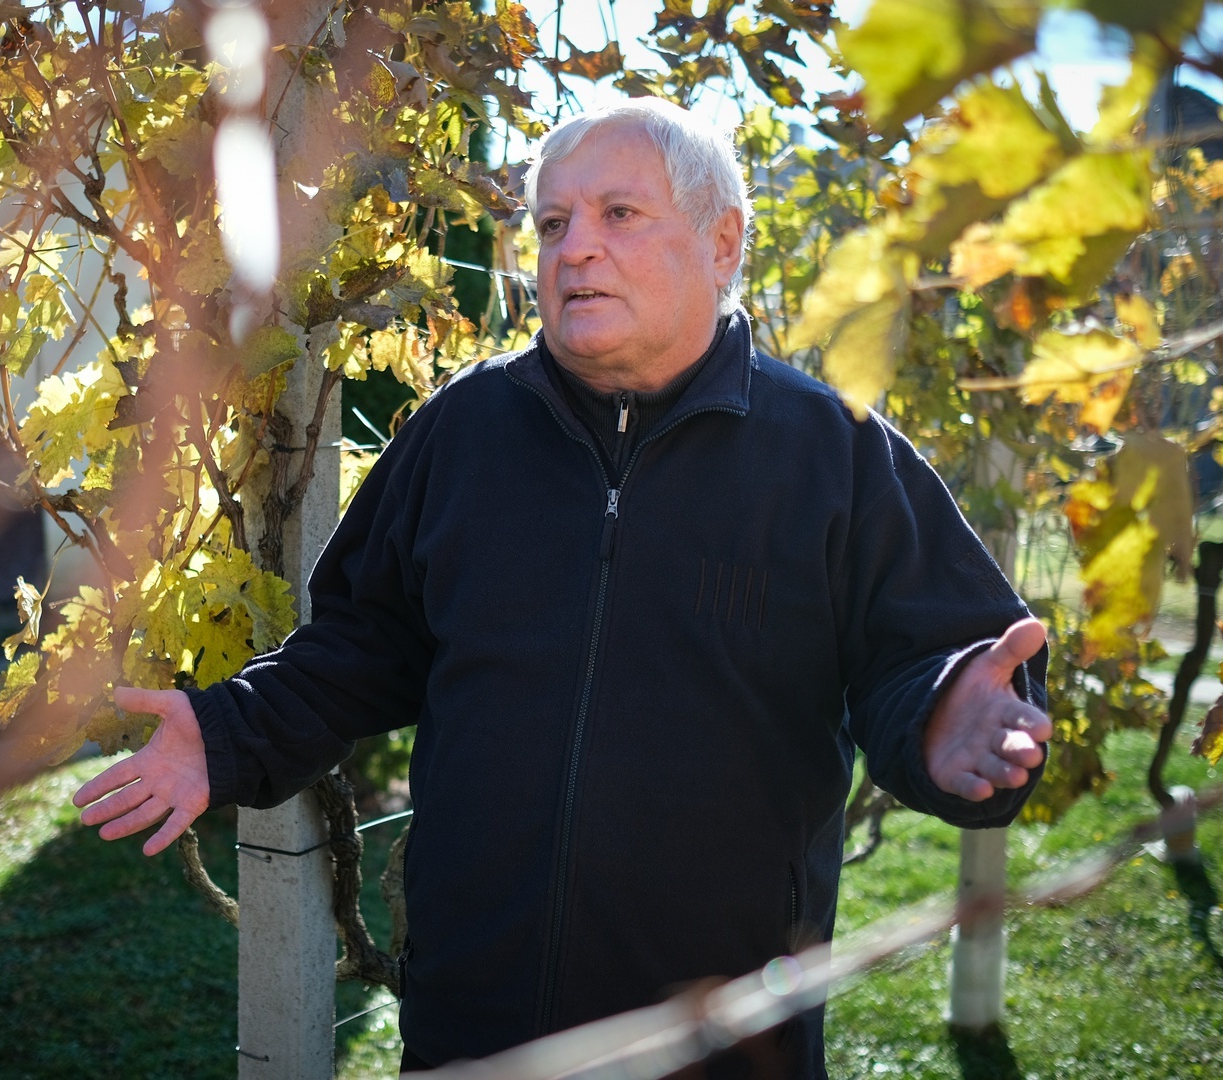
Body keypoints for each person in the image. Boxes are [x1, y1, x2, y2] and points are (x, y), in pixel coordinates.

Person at [72, 98, 1051, 1078]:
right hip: (473, 1019)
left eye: (619, 213)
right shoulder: (463, 429)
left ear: (721, 243)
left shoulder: (833, 453)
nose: (574, 247)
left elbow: (928, 658)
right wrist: (231, 731)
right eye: (551, 223)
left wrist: (944, 714)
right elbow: (365, 642)